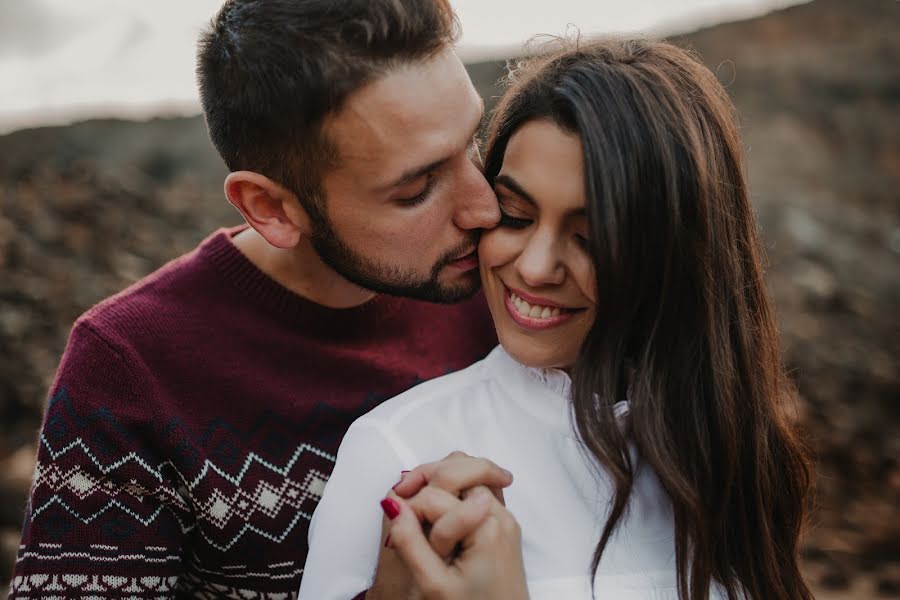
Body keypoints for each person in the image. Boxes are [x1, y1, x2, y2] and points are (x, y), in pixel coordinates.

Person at [8, 1, 514, 598]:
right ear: (271, 208)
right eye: (417, 188)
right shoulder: (129, 368)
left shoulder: (511, 284)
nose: (486, 209)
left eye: (474, 139)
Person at [300, 38, 814, 600]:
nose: (537, 266)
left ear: (678, 255)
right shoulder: (398, 457)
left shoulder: (732, 450)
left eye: (590, 239)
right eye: (515, 216)